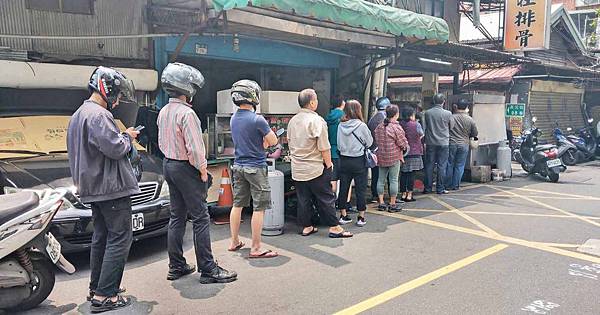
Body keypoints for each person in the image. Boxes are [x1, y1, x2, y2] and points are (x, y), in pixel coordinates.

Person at [67, 66, 139, 312]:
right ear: (106, 89)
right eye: (117, 95)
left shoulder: (78, 114)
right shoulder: (98, 115)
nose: (118, 101)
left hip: (94, 188)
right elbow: (116, 148)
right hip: (111, 188)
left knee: (102, 238)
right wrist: (127, 136)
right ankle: (105, 296)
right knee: (120, 238)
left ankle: (97, 288)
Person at [157, 63, 237, 284]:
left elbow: (162, 142)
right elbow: (194, 148)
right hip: (186, 168)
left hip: (169, 165)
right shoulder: (187, 113)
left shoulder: (164, 111)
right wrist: (202, 171)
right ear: (186, 87)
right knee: (201, 217)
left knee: (177, 216)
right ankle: (208, 269)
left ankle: (176, 266)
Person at [288, 89, 353, 238]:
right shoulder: (317, 120)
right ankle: (335, 228)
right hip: (315, 167)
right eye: (316, 99)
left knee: (303, 199)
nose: (317, 102)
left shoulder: (293, 121)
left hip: (298, 168)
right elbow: (324, 147)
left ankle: (307, 226)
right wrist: (329, 165)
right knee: (326, 197)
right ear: (311, 102)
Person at [228, 79, 279, 258]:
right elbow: (273, 142)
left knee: (238, 205)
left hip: (239, 166)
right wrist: (265, 142)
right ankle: (256, 247)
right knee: (259, 208)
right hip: (256, 167)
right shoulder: (258, 120)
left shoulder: (233, 118)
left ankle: (234, 241)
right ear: (253, 96)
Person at [337, 100, 373, 226]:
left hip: (344, 160)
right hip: (358, 160)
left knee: (344, 188)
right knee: (360, 189)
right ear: (358, 110)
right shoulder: (361, 126)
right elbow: (369, 142)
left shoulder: (340, 125)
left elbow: (339, 143)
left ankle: (343, 215)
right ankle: (361, 217)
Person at [374, 105, 408, 212]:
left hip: (381, 156)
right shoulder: (396, 128)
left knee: (380, 180)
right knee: (393, 180)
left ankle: (381, 202)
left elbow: (376, 138)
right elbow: (403, 143)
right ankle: (392, 204)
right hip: (394, 157)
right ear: (396, 114)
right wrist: (404, 148)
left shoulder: (379, 126)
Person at [422, 93, 453, 195]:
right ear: (443, 101)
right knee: (442, 166)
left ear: (434, 101)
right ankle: (440, 188)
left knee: (429, 165)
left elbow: (424, 128)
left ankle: (428, 188)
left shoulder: (427, 113)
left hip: (430, 142)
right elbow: (451, 127)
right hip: (444, 142)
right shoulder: (448, 113)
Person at [446, 98, 478, 190]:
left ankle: (447, 184)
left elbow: (447, 129)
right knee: (460, 165)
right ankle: (456, 185)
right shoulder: (470, 119)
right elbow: (475, 133)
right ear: (467, 107)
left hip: (451, 143)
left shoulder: (451, 117)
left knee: (450, 163)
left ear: (456, 107)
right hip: (464, 144)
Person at [367, 96, 391, 201]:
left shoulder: (373, 118)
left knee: (375, 174)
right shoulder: (384, 119)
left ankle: (374, 194)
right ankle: (386, 195)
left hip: (373, 150)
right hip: (383, 150)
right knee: (387, 175)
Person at [399, 107, 425, 202]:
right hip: (414, 152)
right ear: (411, 115)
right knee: (411, 175)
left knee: (403, 174)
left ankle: (403, 194)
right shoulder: (416, 124)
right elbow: (421, 134)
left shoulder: (400, 124)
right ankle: (409, 194)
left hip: (403, 152)